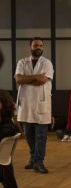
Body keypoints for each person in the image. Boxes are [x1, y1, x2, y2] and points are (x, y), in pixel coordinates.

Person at [14, 37, 54, 174]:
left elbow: (43, 80)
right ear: (30, 47)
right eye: (35, 45)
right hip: (25, 104)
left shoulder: (47, 63)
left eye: (41, 45)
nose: (38, 47)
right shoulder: (22, 62)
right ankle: (32, 158)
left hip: (41, 103)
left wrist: (27, 80)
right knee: (28, 135)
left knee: (41, 136)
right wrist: (35, 77)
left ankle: (39, 162)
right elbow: (18, 79)